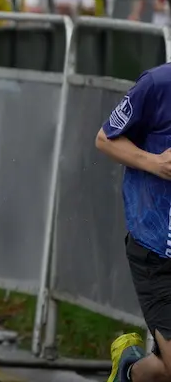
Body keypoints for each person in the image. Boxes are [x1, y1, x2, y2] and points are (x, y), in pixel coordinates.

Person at [95, 64, 171, 382]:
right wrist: (155, 162)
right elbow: (105, 139)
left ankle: (130, 370)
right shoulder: (158, 84)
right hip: (156, 249)